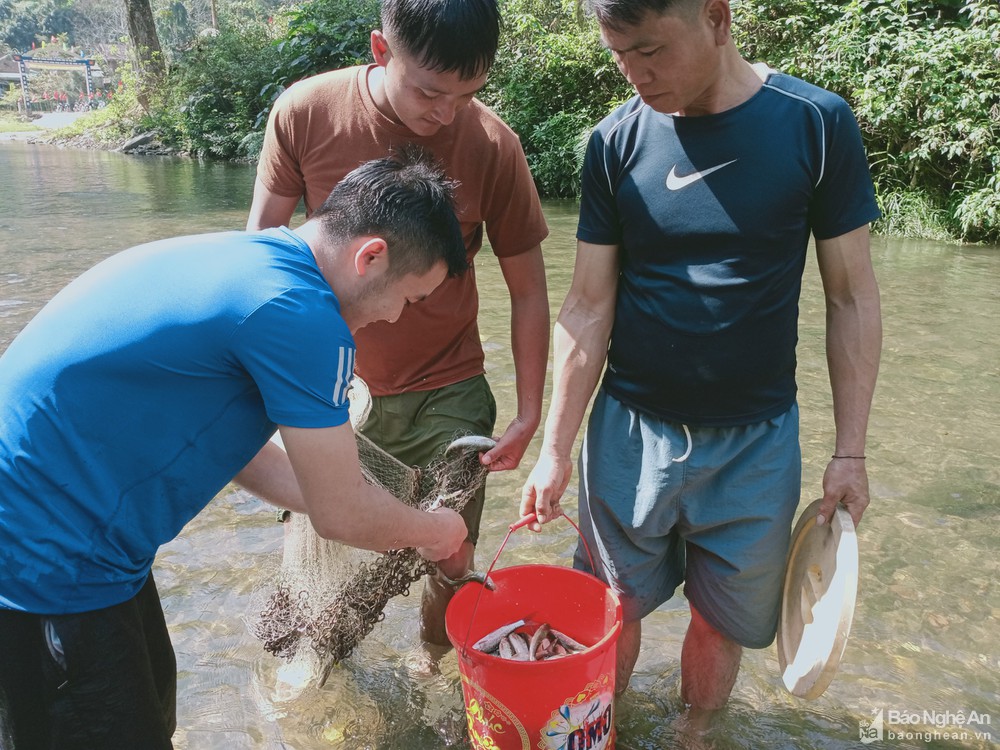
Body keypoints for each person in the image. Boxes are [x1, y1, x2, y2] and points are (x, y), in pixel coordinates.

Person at [0, 150, 470, 750]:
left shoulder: (254, 260)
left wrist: (373, 506)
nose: (397, 318)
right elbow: (342, 516)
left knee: (148, 721)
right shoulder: (302, 316)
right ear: (371, 255)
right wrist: (439, 531)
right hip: (45, 561)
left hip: (80, 538)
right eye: (410, 297)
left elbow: (242, 455)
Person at [520, 0, 882, 717]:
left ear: (716, 17)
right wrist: (554, 449)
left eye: (650, 50)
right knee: (611, 604)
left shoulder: (813, 123)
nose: (635, 74)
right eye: (619, 54)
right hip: (630, 432)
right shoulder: (615, 141)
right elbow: (587, 306)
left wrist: (851, 453)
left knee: (724, 622)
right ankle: (594, 731)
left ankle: (697, 737)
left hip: (757, 442)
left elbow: (852, 298)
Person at [247, 0, 550, 651]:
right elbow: (261, 257)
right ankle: (307, 678)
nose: (448, 113)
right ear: (382, 51)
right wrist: (269, 393)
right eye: (432, 92)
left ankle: (435, 669)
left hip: (449, 385)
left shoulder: (494, 144)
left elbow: (529, 292)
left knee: (449, 549)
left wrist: (530, 413)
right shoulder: (307, 113)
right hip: (332, 389)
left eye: (469, 93)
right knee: (317, 554)